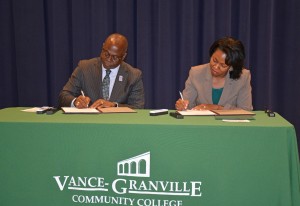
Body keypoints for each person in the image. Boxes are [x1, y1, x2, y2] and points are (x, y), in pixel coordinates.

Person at [58, 33, 145, 109]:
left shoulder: (133, 75)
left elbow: (138, 107)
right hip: (89, 123)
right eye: (106, 54)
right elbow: (64, 95)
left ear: (123, 56)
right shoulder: (84, 68)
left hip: (118, 124)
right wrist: (75, 101)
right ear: (103, 46)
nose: (109, 59)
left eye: (115, 57)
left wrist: (114, 106)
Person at [176, 37, 253, 111]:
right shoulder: (196, 73)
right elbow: (188, 105)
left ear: (232, 66)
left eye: (223, 65)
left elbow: (245, 110)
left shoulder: (243, 77)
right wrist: (182, 105)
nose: (215, 67)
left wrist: (217, 108)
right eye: (214, 60)